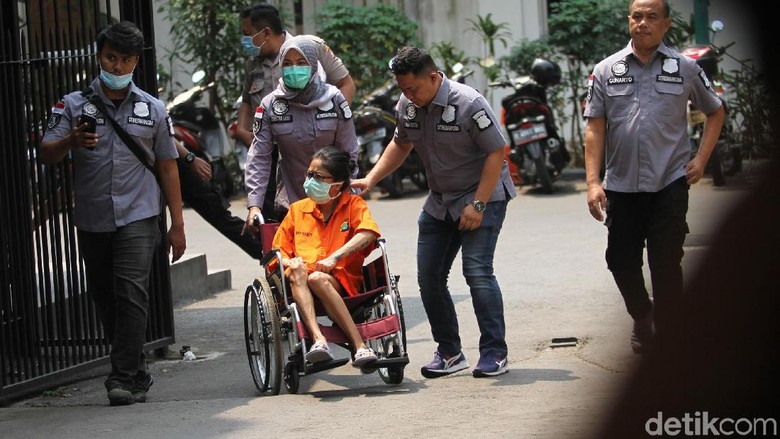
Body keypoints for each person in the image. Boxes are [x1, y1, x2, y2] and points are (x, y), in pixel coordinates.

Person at [39, 21, 186, 406]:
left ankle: (119, 377)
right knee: (106, 297)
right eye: (110, 58)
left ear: (136, 62)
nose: (117, 67)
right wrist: (72, 140)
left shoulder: (152, 108)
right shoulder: (71, 105)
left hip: (139, 215)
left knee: (131, 292)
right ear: (99, 57)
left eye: (125, 60)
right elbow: (46, 152)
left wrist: (177, 225)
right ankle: (136, 370)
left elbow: (168, 167)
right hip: (93, 218)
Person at [352, 47, 516, 378]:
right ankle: (450, 353)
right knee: (429, 277)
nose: (407, 95)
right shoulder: (408, 105)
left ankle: (495, 353)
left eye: (412, 88)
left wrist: (479, 204)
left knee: (477, 272)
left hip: (482, 196)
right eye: (402, 89)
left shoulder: (468, 103)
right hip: (440, 201)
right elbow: (401, 144)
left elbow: (497, 151)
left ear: (433, 77)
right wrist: (372, 178)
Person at [583, 0, 724, 353]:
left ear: (665, 25)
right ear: (629, 21)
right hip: (621, 185)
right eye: (636, 16)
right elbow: (595, 129)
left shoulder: (685, 68)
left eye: (650, 17)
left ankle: (671, 337)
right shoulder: (605, 69)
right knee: (620, 261)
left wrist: (701, 159)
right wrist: (592, 182)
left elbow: (715, 112)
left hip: (669, 183)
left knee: (665, 263)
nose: (642, 23)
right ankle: (643, 315)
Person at [237, 3, 356, 221]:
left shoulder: (333, 98)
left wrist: (346, 193)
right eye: (288, 64)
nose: (294, 69)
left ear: (312, 65)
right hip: (290, 198)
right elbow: (259, 156)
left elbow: (349, 152)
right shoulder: (270, 103)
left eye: (301, 63)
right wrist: (254, 205)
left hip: (333, 200)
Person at [271, 147, 379, 366]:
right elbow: (277, 252)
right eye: (309, 174)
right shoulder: (297, 210)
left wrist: (335, 258)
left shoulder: (354, 205)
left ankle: (360, 346)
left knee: (317, 278)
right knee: (300, 271)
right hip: (300, 281)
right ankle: (319, 339)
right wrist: (289, 261)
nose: (310, 181)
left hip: (340, 280)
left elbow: (368, 233)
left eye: (317, 177)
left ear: (337, 184)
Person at [174, 140, 262, 259]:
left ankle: (266, 250)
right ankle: (266, 250)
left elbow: (166, 134)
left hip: (177, 168)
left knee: (220, 217)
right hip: (162, 172)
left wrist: (190, 158)